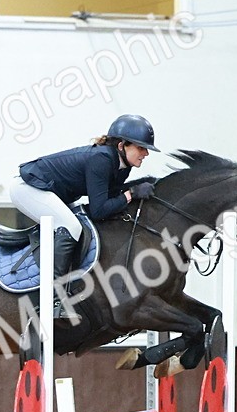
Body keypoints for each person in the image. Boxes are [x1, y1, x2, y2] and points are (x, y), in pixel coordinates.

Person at [9, 114, 158, 319]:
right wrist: (131, 194)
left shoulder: (121, 166)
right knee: (71, 227)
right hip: (29, 188)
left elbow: (112, 198)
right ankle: (52, 299)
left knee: (79, 224)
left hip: (52, 192)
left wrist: (138, 187)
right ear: (122, 145)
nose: (146, 153)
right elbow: (99, 210)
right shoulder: (103, 159)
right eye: (141, 148)